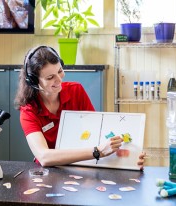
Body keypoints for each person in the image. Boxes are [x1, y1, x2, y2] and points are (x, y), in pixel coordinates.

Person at [14, 46, 146, 170]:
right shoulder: (28, 110)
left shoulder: (76, 90)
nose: (59, 80)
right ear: (33, 81)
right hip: (50, 171)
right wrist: (98, 151)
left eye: (60, 71)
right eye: (50, 77)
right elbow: (44, 156)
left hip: (83, 165)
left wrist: (129, 158)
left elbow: (98, 135)